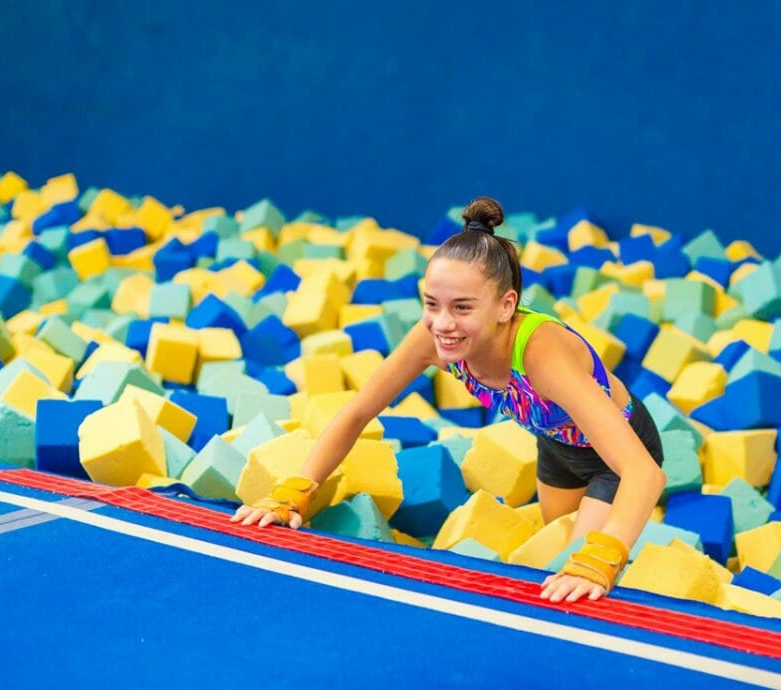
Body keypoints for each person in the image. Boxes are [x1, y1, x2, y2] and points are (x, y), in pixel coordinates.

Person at [232, 196, 666, 603]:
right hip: (554, 444)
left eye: (462, 308)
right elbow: (359, 410)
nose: (443, 323)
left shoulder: (541, 356)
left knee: (576, 573)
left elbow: (643, 472)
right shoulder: (434, 338)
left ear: (505, 305)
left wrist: (602, 558)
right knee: (552, 542)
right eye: (432, 304)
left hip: (616, 451)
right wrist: (297, 491)